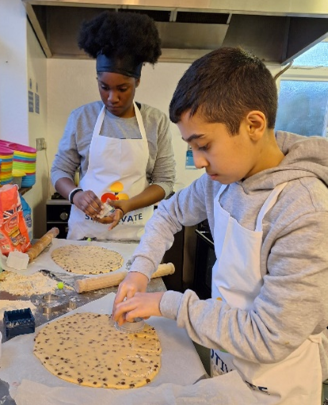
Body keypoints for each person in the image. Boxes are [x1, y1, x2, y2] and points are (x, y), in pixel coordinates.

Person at [112, 47, 328, 404]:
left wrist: (169, 304)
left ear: (253, 125)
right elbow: (167, 213)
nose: (197, 162)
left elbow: (268, 335)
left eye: (204, 145)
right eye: (190, 147)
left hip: (276, 384)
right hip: (225, 360)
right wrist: (139, 271)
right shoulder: (221, 181)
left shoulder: (303, 210)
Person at [51, 11, 175, 240]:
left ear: (137, 81)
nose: (111, 98)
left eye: (122, 89)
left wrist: (127, 205)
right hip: (86, 235)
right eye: (104, 87)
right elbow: (60, 170)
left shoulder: (155, 121)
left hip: (135, 236)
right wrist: (76, 195)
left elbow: (165, 181)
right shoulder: (81, 118)